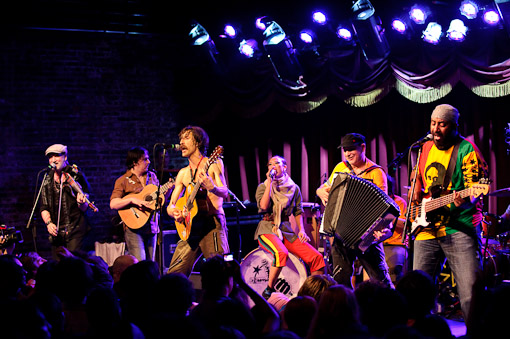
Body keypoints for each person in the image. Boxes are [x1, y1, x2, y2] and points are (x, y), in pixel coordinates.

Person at [409, 104, 489, 326]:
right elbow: (418, 176)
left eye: (442, 125)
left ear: (454, 126)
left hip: (459, 227)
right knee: (416, 292)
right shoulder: (424, 148)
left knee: (470, 293)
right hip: (426, 228)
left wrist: (466, 197)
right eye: (433, 123)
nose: (436, 129)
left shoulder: (466, 150)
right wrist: (415, 190)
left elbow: (477, 188)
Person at [316, 133, 393, 288]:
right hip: (341, 234)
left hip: (367, 236)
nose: (348, 153)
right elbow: (324, 188)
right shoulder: (341, 167)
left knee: (380, 280)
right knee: (340, 281)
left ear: (363, 147)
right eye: (345, 150)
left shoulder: (376, 172)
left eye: (352, 149)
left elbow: (383, 207)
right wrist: (320, 191)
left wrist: (381, 229)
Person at [255, 155, 325, 299]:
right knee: (281, 253)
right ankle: (268, 290)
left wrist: (301, 230)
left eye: (276, 163)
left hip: (286, 231)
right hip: (268, 229)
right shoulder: (263, 186)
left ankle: (315, 295)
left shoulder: (293, 188)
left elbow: (298, 211)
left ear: (284, 167)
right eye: (270, 164)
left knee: (316, 258)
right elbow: (263, 206)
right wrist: (269, 182)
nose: (272, 166)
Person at [166, 126, 230, 277]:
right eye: (180, 139)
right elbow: (171, 205)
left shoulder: (213, 163)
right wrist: (173, 212)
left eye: (186, 138)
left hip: (212, 224)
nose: (181, 142)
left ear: (198, 142)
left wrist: (212, 187)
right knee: (174, 274)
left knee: (220, 273)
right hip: (190, 227)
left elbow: (225, 192)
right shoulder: (182, 173)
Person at [111, 146, 165, 262]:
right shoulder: (123, 180)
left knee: (151, 264)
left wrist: (169, 189)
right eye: (145, 159)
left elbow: (158, 200)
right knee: (140, 262)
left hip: (151, 226)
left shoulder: (152, 177)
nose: (149, 161)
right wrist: (132, 200)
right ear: (135, 162)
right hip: (134, 227)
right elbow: (113, 203)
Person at [40, 144, 91, 259]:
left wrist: (82, 203)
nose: (53, 160)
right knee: (58, 267)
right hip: (57, 233)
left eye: (57, 156)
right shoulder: (47, 179)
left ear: (65, 157)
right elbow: (43, 207)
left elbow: (85, 207)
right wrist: (49, 223)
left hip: (75, 229)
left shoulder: (76, 176)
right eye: (50, 157)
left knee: (73, 264)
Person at [383, 176, 409, 284]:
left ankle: (395, 297)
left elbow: (405, 224)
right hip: (377, 243)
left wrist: (388, 217)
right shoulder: (373, 202)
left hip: (396, 244)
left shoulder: (399, 202)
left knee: (394, 267)